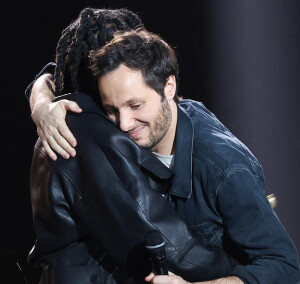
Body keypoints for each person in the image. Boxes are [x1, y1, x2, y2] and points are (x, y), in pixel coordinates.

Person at [28, 8, 236, 284]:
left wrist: (39, 98)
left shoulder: (62, 113)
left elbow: (50, 74)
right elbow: (162, 239)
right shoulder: (89, 131)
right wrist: (239, 269)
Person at [86, 29, 299, 283]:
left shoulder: (225, 169)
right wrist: (42, 104)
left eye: (135, 106)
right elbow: (61, 70)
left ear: (169, 87)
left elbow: (285, 269)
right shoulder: (144, 124)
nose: (123, 124)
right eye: (112, 110)